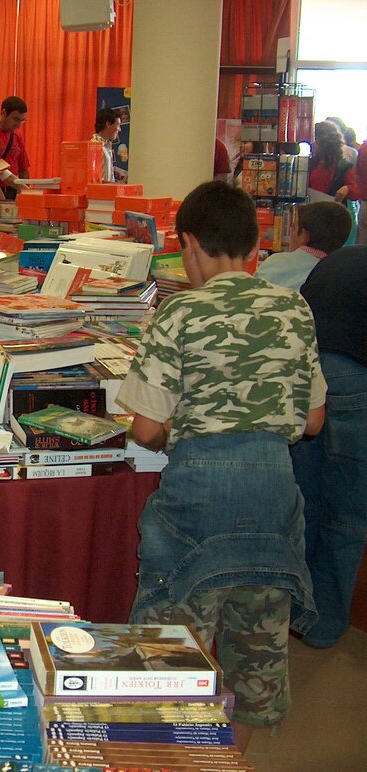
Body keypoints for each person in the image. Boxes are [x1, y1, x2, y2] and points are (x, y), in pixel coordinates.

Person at [115, 180, 326, 749]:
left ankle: (172, 754)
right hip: (274, 494)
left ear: (188, 243)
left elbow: (147, 428)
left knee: (171, 649)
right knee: (259, 646)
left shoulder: (180, 311)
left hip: (197, 496)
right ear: (255, 246)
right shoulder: (293, 307)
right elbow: (312, 422)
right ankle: (237, 757)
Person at [291, 245, 367, 650]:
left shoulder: (339, 259)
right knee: (349, 511)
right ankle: (325, 623)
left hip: (310, 379)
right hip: (357, 380)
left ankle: (294, 608)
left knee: (306, 500)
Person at [255, 201, 352, 291]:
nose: (291, 234)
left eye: (293, 228)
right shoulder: (343, 276)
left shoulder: (276, 263)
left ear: (304, 236)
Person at [0, 96, 30, 200]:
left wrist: (26, 194)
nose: (19, 124)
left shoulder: (17, 136)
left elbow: (23, 169)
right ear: (4, 113)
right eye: (15, 119)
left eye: (22, 120)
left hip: (13, 189)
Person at [308, 121, 359, 205]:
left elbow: (356, 193)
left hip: (333, 213)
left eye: (314, 141)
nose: (312, 145)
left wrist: (347, 188)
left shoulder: (343, 166)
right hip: (310, 210)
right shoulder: (310, 163)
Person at [92, 107, 123, 183]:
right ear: (108, 124)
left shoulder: (107, 146)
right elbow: (93, 179)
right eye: (118, 125)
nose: (119, 129)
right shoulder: (93, 146)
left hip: (108, 193)